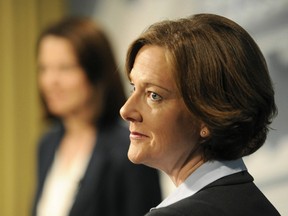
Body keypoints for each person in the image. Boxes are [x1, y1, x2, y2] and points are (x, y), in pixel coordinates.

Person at [120, 13, 280, 216]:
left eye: (154, 95)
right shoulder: (260, 207)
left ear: (209, 115)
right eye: (134, 87)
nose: (126, 111)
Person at [32, 17, 162, 216]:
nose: (50, 80)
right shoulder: (47, 144)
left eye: (64, 68)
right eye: (44, 68)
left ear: (96, 72)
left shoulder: (130, 150)